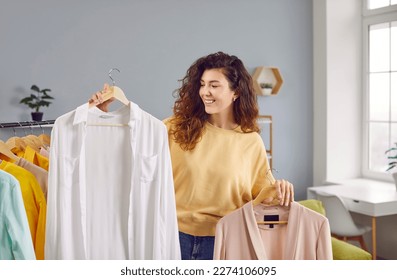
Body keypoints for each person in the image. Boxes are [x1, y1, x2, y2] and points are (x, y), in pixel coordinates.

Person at [90, 51, 294, 260]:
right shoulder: (173, 128)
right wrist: (103, 118)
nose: (205, 91)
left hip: (223, 241)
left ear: (236, 92)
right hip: (171, 237)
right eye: (203, 84)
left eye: (214, 85)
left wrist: (279, 189)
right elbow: (126, 155)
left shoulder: (251, 142)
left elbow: (261, 199)